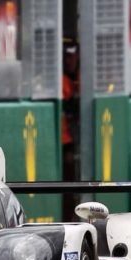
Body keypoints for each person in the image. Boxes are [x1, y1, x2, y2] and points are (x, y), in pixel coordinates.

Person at [61, 38, 79, 221]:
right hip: (65, 143)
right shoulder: (61, 81)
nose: (68, 60)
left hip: (79, 142)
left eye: (72, 56)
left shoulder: (81, 77)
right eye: (65, 56)